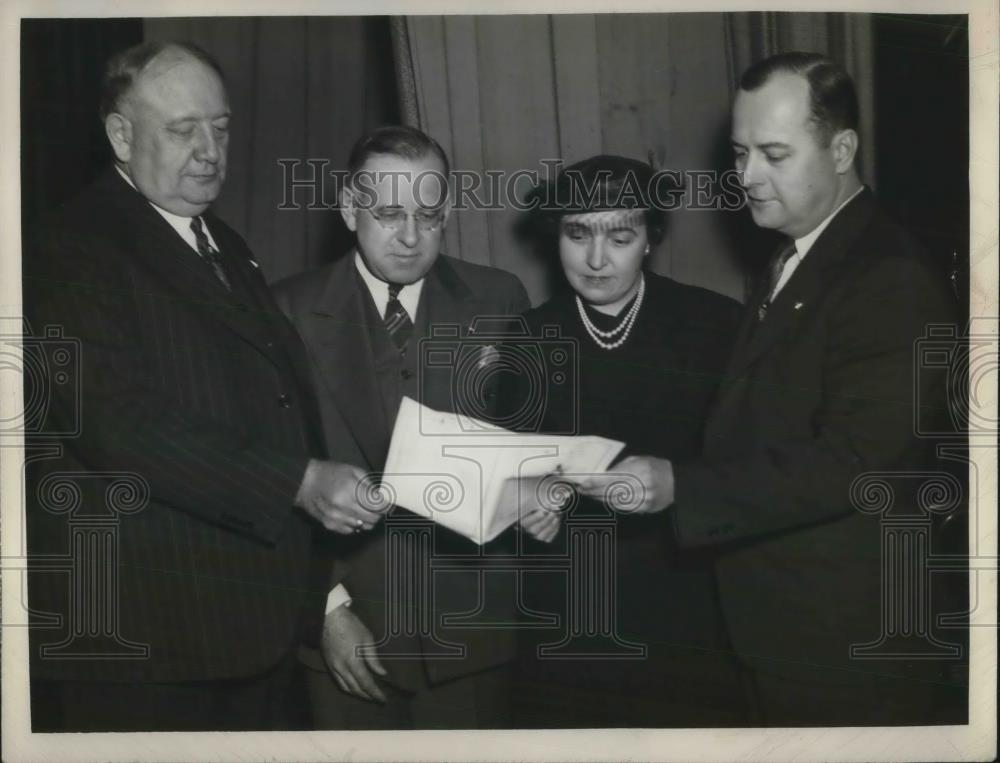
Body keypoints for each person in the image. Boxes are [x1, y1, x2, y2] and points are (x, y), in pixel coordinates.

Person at [568, 53, 964, 725]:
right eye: (740, 152)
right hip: (783, 631)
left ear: (842, 149)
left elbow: (855, 462)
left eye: (774, 154)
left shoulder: (889, 277)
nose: (746, 176)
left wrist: (679, 484)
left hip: (846, 649)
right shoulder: (798, 251)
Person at [23, 40, 378, 732]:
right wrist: (298, 481)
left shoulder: (225, 243)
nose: (210, 150)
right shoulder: (68, 247)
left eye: (219, 127)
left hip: (244, 633)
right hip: (146, 643)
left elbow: (275, 411)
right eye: (183, 130)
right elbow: (119, 425)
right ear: (121, 135)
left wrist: (319, 603)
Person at [274, 125, 531, 729]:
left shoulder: (500, 298)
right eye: (389, 214)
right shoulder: (284, 309)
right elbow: (272, 472)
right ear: (347, 207)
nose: (411, 237)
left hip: (472, 632)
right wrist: (327, 609)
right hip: (347, 633)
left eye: (430, 215)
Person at [509, 155, 746, 727]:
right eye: (577, 234)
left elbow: (749, 470)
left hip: (688, 602)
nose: (595, 259)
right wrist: (524, 497)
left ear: (650, 239)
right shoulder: (529, 336)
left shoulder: (716, 325)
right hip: (566, 610)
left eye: (619, 235)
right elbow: (505, 467)